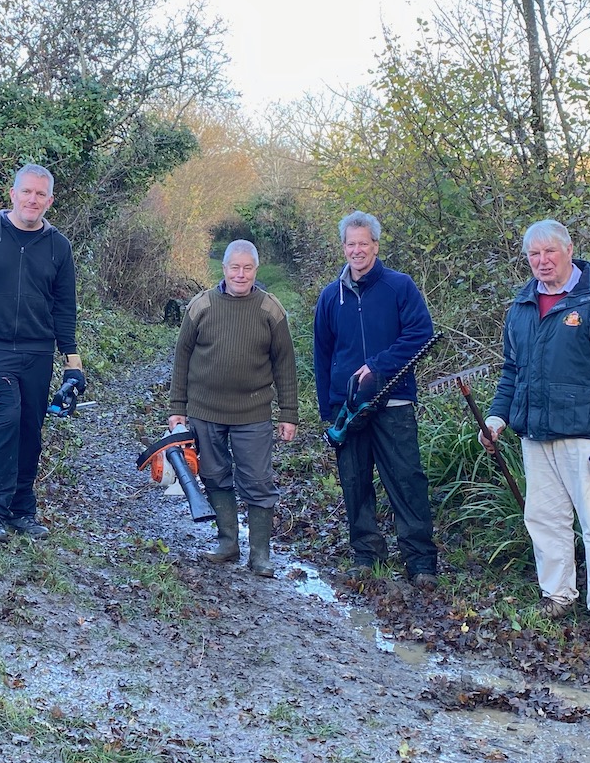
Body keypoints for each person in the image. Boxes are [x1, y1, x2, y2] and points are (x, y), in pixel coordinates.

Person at [481, 219, 590, 641]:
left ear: (569, 249)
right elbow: (512, 372)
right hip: (536, 433)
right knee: (544, 518)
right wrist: (498, 418)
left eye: (549, 252)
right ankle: (558, 594)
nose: (541, 262)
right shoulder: (521, 307)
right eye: (533, 255)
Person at [0, 164, 81, 544]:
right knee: (7, 418)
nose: (32, 199)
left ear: (50, 201)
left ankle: (23, 509)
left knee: (30, 429)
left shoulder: (58, 246)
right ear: (13, 194)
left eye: (41, 194)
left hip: (38, 352)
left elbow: (65, 306)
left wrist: (72, 364)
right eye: (27, 192)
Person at [313, 211, 438, 587]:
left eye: (363, 243)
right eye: (350, 244)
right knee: (355, 482)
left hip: (394, 401)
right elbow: (322, 352)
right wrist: (328, 408)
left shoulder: (399, 287)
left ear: (376, 246)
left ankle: (420, 562)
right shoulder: (329, 296)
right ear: (343, 247)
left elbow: (421, 333)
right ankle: (366, 554)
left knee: (406, 480)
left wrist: (378, 366)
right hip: (347, 408)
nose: (357, 250)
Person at [168, 240, 298, 577]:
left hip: (253, 413)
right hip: (204, 411)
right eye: (234, 267)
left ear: (256, 269)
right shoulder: (201, 306)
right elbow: (182, 356)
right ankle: (228, 542)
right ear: (223, 269)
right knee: (214, 475)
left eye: (248, 268)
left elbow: (285, 364)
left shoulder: (270, 309)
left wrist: (288, 413)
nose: (241, 274)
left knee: (257, 480)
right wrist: (177, 407)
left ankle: (260, 554)